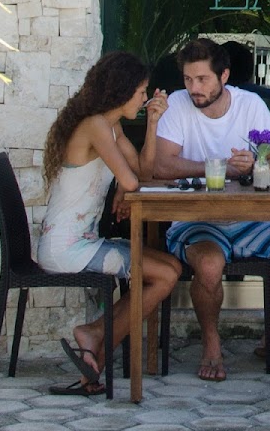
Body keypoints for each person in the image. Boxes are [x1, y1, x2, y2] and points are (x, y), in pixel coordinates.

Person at [153, 37, 270, 381]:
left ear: (224, 76)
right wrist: (219, 167)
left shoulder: (250, 105)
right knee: (209, 264)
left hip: (252, 218)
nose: (194, 88)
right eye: (188, 79)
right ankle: (211, 344)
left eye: (202, 79)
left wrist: (256, 163)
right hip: (195, 219)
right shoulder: (177, 104)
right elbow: (162, 165)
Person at [39, 51, 183, 396]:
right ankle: (95, 343)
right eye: (141, 92)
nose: (145, 99)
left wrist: (153, 124)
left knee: (172, 268)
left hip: (85, 243)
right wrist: (123, 184)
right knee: (165, 275)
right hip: (66, 249)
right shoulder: (95, 126)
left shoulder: (110, 125)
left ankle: (95, 338)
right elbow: (132, 181)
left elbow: (143, 173)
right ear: (122, 91)